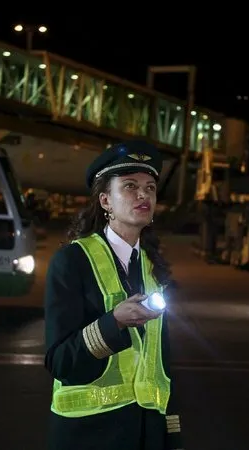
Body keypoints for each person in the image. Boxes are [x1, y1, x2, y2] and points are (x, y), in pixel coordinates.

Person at [44, 140, 184, 450]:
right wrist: (114, 323)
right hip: (89, 434)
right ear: (106, 201)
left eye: (150, 187)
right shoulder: (73, 261)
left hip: (146, 433)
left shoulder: (152, 267)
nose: (143, 194)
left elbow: (162, 367)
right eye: (130, 186)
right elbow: (59, 362)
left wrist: (172, 437)